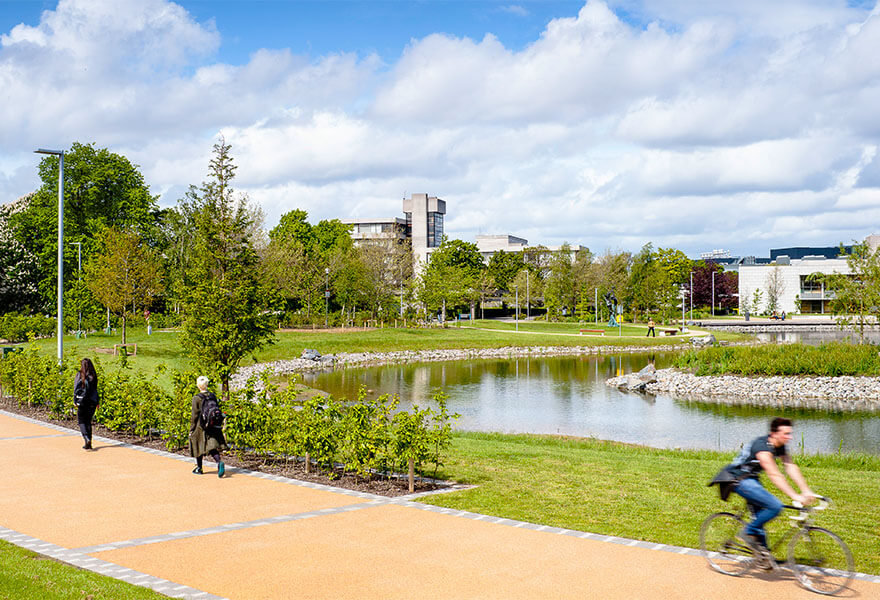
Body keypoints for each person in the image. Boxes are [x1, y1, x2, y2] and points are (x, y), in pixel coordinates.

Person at [727, 417, 815, 554]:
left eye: (790, 433)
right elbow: (774, 475)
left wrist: (806, 490)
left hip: (751, 478)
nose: (790, 437)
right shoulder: (762, 447)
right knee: (774, 506)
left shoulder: (779, 446)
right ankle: (746, 532)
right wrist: (795, 496)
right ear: (774, 434)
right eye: (786, 434)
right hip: (737, 479)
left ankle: (763, 555)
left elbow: (790, 466)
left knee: (760, 515)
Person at [189, 376, 226, 477]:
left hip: (201, 425)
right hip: (212, 424)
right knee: (211, 447)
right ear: (207, 384)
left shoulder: (197, 398)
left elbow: (194, 415)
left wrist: (192, 429)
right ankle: (219, 462)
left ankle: (199, 468)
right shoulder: (212, 396)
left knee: (198, 444)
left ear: (198, 385)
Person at [73, 358, 100, 450]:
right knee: (88, 421)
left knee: (81, 421)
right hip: (92, 401)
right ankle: (89, 442)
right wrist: (97, 402)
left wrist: (75, 400)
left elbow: (76, 388)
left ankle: (86, 438)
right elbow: (95, 389)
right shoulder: (94, 376)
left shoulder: (80, 375)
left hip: (82, 401)